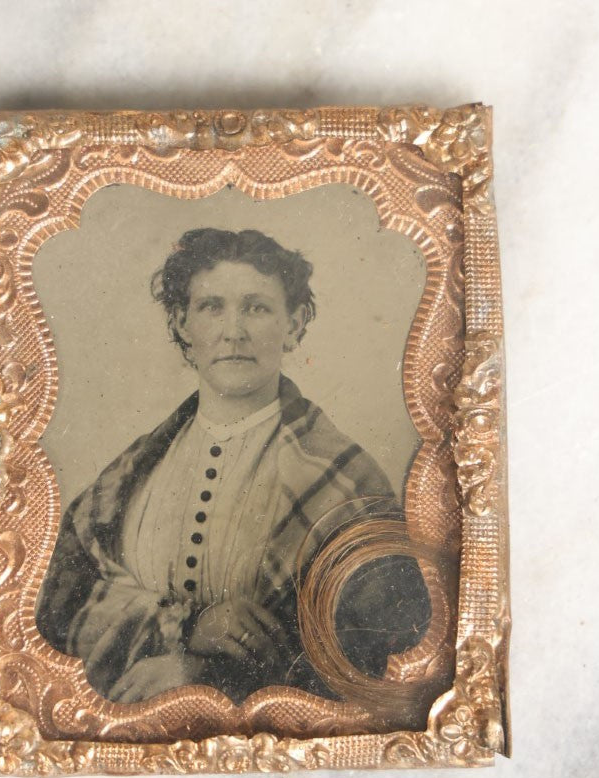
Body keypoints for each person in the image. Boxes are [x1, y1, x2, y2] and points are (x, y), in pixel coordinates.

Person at [36, 228, 431, 704]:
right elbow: (56, 606)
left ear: (295, 322)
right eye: (211, 307)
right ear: (182, 323)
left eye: (257, 307)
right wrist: (184, 626)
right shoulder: (131, 473)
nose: (234, 331)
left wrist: (213, 676)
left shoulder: (345, 479)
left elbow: (379, 653)